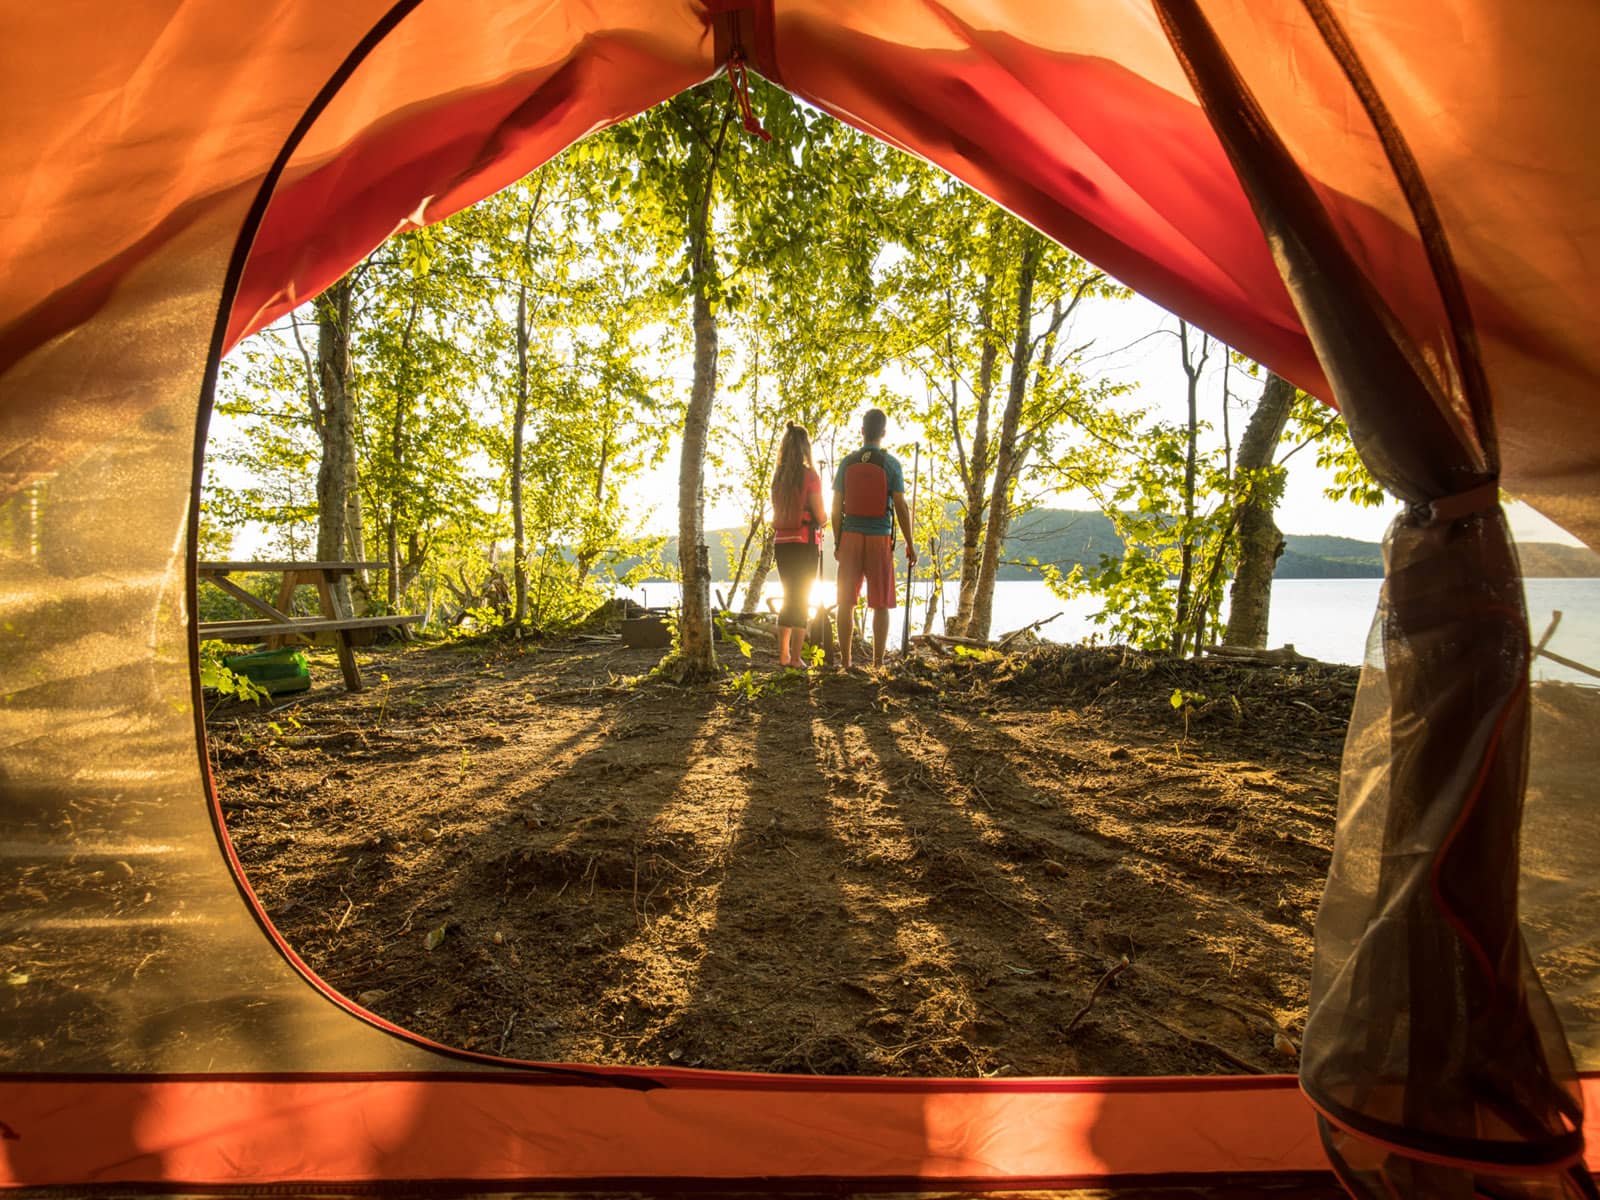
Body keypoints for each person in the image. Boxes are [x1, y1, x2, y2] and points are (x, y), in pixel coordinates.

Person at [832, 408, 916, 670]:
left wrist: (837, 542)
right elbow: (901, 507)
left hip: (850, 536)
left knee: (845, 602)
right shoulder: (891, 464)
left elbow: (836, 508)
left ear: (862, 431)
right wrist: (910, 544)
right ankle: (878, 665)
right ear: (883, 433)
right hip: (879, 538)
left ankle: (846, 662)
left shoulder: (848, 462)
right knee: (880, 603)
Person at [769, 422, 828, 668]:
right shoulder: (810, 476)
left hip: (782, 542)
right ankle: (795, 658)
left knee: (788, 596)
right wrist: (825, 520)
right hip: (804, 542)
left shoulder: (778, 477)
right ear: (805, 448)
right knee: (801, 597)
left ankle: (783, 655)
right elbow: (820, 514)